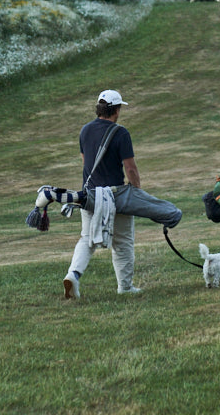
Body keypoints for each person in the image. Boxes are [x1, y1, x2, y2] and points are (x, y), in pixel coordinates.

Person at [62, 89, 159, 299]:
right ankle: (124, 287)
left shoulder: (85, 130)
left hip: (89, 196)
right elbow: (130, 168)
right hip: (116, 195)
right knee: (123, 242)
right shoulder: (120, 133)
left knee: (87, 239)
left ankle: (73, 275)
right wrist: (137, 192)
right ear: (115, 109)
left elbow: (85, 160)